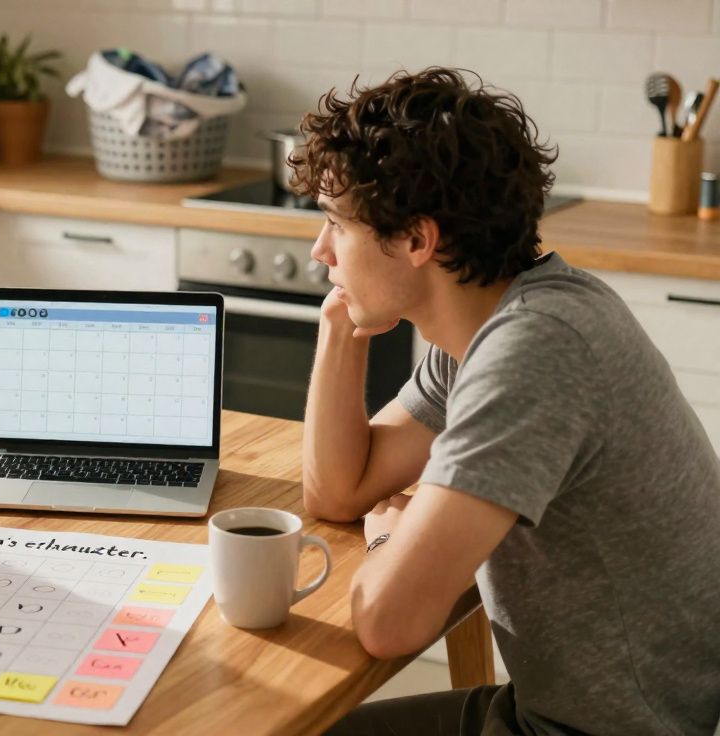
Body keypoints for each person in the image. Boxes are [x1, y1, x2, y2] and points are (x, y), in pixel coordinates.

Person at [298, 68, 720, 735]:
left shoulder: (535, 351)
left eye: (335, 227)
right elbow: (340, 491)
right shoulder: (490, 322)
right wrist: (339, 327)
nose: (320, 250)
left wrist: (389, 539)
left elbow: (388, 622)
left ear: (417, 239)